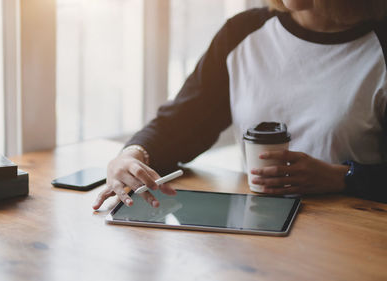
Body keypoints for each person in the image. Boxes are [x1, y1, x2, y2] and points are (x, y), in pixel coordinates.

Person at [92, 0, 387, 210]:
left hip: (357, 236)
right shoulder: (242, 32)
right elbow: (180, 124)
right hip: (262, 227)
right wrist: (131, 155)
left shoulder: (379, 46)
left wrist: (344, 178)